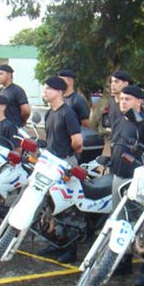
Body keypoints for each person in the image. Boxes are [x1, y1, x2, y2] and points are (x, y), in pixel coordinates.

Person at [109, 84, 144, 286]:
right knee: (120, 221)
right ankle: (123, 261)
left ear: (139, 102)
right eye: (122, 99)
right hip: (118, 178)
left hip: (137, 182)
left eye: (128, 99)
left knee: (142, 226)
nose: (123, 102)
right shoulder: (119, 121)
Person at [38, 76, 83, 263]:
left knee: (68, 209)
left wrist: (66, 158)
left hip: (65, 164)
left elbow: (78, 142)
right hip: (50, 165)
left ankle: (71, 250)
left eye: (49, 88)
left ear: (59, 91)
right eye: (45, 88)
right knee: (51, 206)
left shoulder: (68, 113)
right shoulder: (50, 114)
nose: (45, 91)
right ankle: (55, 243)